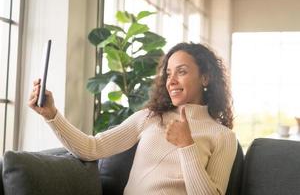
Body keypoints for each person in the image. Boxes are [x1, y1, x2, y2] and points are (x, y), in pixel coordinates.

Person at [29, 42, 237, 195]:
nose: (171, 81)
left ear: (206, 78)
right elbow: (91, 148)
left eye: (181, 72)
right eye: (168, 74)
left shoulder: (223, 137)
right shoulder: (149, 117)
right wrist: (52, 115)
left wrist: (186, 145)